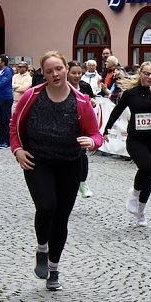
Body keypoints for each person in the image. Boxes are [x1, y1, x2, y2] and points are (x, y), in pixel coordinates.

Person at [10, 51, 103, 291]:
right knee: (46, 206)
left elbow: (96, 133)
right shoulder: (32, 96)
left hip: (69, 163)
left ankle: (54, 269)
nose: (55, 74)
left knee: (61, 217)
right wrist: (18, 149)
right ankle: (42, 248)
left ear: (66, 69)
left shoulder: (81, 100)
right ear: (43, 73)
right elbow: (14, 124)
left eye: (58, 69)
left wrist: (92, 142)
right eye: (49, 71)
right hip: (37, 160)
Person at [103, 61, 151, 228]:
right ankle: (134, 194)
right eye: (146, 74)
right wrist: (107, 128)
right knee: (146, 167)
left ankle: (140, 211)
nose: (149, 77)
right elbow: (117, 110)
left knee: (150, 177)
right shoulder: (130, 93)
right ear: (140, 73)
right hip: (136, 139)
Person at [66, 60, 95, 198]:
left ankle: (82, 182)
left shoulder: (84, 86)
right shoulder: (62, 87)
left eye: (79, 73)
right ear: (67, 72)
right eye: (74, 73)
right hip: (65, 126)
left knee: (82, 156)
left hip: (81, 127)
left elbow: (91, 102)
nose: (77, 76)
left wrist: (92, 102)